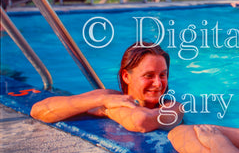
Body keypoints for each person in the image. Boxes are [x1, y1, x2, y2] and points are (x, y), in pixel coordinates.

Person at [31, 44, 183, 132]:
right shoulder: (108, 97)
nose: (158, 83)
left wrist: (103, 108)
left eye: (162, 75)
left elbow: (141, 121)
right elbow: (38, 110)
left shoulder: (173, 107)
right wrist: (101, 99)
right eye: (149, 76)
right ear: (126, 76)